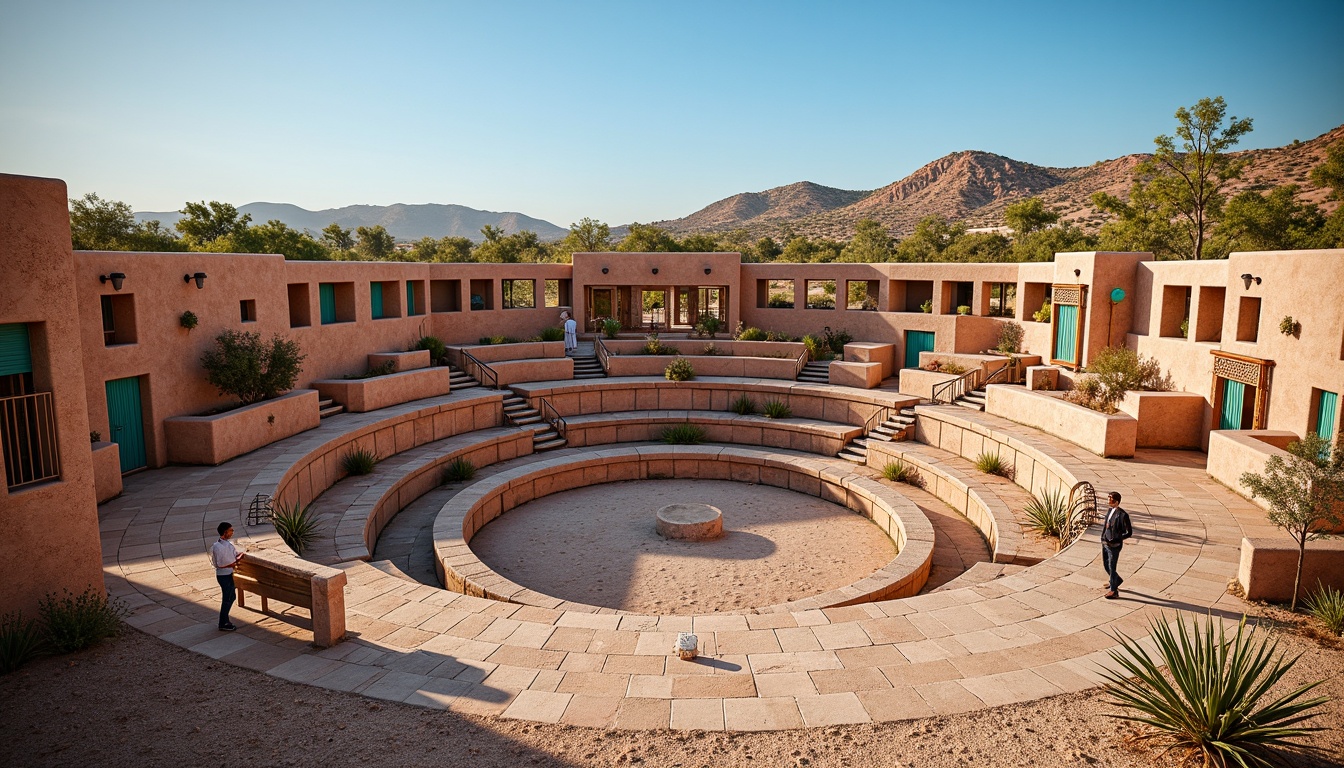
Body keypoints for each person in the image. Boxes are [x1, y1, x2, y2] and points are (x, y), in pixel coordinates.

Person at [211, 521, 245, 630]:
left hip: (229, 574)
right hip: (224, 576)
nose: (232, 532)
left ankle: (225, 620)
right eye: (231, 530)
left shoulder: (228, 544)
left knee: (231, 597)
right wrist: (233, 563)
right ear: (225, 532)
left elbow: (233, 554)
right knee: (227, 598)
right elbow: (220, 564)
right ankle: (223, 623)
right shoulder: (218, 546)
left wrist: (238, 557)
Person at [1100, 491, 1132, 599]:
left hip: (1114, 545)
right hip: (1105, 542)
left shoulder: (1123, 515)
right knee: (1105, 564)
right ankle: (1115, 580)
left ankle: (1114, 590)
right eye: (1108, 498)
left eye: (1111, 499)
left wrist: (1118, 538)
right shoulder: (1109, 511)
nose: (1109, 501)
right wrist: (1103, 537)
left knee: (1112, 567)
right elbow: (1106, 525)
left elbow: (1129, 532)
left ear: (1117, 501)